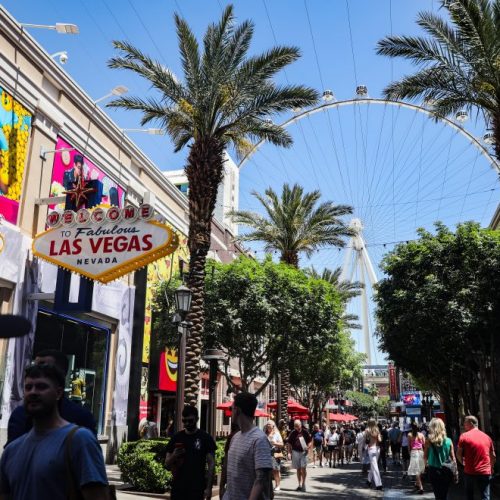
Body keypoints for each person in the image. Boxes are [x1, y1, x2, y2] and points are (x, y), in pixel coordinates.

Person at [0, 363, 108, 499]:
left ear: (58, 393)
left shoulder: (81, 441)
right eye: (28, 387)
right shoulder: (11, 452)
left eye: (41, 387)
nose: (33, 392)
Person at [7, 349, 97, 444]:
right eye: (28, 387)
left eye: (43, 367)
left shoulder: (81, 419)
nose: (36, 371)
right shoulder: (19, 416)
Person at [223, 392, 273, 500]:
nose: (230, 412)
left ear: (238, 410)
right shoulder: (235, 437)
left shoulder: (259, 439)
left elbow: (261, 479)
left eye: (232, 409)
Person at [165, 405, 216, 500]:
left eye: (190, 421)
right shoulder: (176, 438)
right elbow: (167, 465)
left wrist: (209, 488)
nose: (187, 423)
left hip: (197, 489)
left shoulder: (205, 438)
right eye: (184, 421)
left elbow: (211, 464)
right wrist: (174, 456)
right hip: (178, 489)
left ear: (197, 419)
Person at [457, 415, 496, 500]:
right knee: (485, 496)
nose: (464, 425)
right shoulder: (487, 437)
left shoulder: (464, 436)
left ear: (471, 423)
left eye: (465, 423)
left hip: (469, 470)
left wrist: (463, 463)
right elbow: (493, 455)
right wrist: (491, 467)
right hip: (485, 471)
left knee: (469, 495)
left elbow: (458, 454)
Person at [424, 418, 458, 500]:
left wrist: (426, 467)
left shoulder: (428, 441)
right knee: (445, 493)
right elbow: (453, 458)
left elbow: (425, 456)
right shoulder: (449, 441)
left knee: (437, 494)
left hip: (433, 470)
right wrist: (456, 472)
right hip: (446, 470)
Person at [287, 419, 312, 492]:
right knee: (298, 469)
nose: (296, 427)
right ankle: (299, 484)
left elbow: (310, 441)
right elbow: (289, 443)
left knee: (303, 468)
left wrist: (308, 447)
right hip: (295, 452)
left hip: (304, 452)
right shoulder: (292, 433)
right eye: (295, 426)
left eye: (297, 426)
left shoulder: (305, 432)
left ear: (300, 425)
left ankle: (304, 483)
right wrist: (289, 452)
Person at [265, 420, 284, 492]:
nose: (268, 426)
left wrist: (275, 443)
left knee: (276, 470)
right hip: (266, 454)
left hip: (274, 453)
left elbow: (282, 444)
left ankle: (278, 485)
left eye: (269, 425)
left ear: (273, 426)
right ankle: (269, 486)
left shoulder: (277, 434)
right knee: (268, 471)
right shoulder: (265, 434)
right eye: (267, 425)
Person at [407, 422, 426, 494]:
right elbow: (424, 445)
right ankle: (417, 484)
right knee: (419, 469)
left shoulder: (409, 435)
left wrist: (410, 453)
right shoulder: (421, 435)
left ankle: (421, 487)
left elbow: (409, 446)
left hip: (414, 452)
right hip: (421, 452)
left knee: (416, 470)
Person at [366, 419, 383, 491]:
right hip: (377, 449)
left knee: (374, 466)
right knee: (374, 465)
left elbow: (366, 440)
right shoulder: (377, 430)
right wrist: (377, 435)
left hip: (371, 449)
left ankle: (378, 484)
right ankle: (369, 481)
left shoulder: (367, 430)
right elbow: (380, 440)